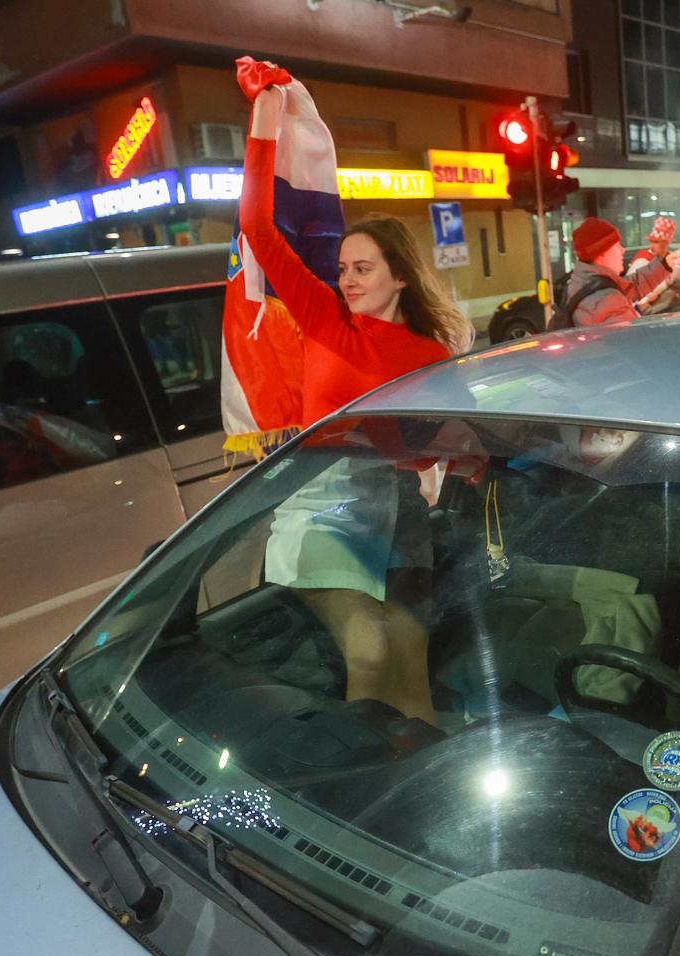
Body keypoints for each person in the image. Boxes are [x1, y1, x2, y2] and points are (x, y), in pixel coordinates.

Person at [241, 65, 473, 723]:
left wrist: (452, 462)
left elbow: (452, 444)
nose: (344, 278)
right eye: (342, 267)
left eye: (361, 268)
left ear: (400, 277)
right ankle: (359, 772)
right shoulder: (321, 318)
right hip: (318, 512)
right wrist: (263, 121)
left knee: (410, 652)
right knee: (369, 649)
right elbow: (260, 228)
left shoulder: (428, 354)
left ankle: (417, 774)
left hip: (392, 515)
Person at [557, 217, 680, 328]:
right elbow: (632, 344)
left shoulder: (589, 281)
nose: (622, 250)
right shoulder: (606, 300)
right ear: (601, 254)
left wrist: (669, 262)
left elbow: (631, 286)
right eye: (617, 246)